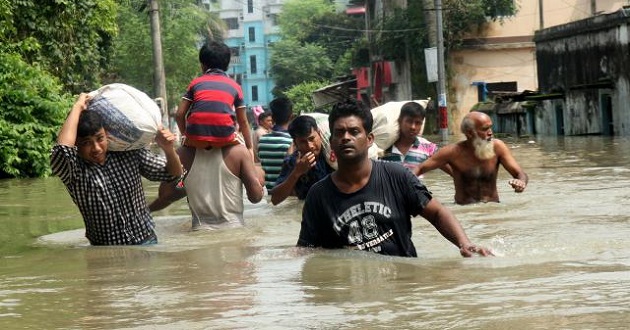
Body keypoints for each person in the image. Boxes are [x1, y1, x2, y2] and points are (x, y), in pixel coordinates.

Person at [296, 98, 492, 258]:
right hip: (351, 297)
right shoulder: (318, 196)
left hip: (402, 287)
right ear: (331, 142)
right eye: (339, 133)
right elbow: (307, 250)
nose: (346, 137)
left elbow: (437, 213)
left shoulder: (396, 176)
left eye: (354, 132)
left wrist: (465, 244)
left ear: (369, 139)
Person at [50, 93, 183, 245]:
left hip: (146, 242)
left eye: (100, 139)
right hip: (105, 252)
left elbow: (174, 175)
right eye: (87, 143)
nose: (96, 148)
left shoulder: (128, 153)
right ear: (76, 144)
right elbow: (62, 150)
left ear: (107, 135)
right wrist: (77, 106)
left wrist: (168, 149)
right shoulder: (74, 171)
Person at [413, 111, 528, 205]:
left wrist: (521, 182)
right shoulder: (452, 152)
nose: (490, 133)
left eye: (490, 128)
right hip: (464, 211)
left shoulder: (498, 147)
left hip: (493, 210)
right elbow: (419, 169)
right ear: (470, 133)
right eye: (485, 129)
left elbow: (519, 173)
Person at [175, 40, 254, 156]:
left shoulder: (195, 83)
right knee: (246, 155)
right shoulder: (235, 86)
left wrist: (185, 136)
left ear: (202, 65)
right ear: (227, 65)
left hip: (194, 139)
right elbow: (243, 121)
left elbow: (179, 114)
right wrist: (250, 148)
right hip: (224, 139)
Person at [184, 144, 265, 230]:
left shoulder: (183, 154)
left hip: (199, 231)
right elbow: (255, 197)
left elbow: (170, 195)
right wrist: (260, 174)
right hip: (235, 231)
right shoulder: (239, 152)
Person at [270, 115, 334, 205]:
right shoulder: (293, 162)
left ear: (319, 134)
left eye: (312, 139)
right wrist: (297, 172)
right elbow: (275, 199)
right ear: (295, 143)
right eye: (303, 142)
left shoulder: (331, 155)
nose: (310, 146)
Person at [379, 101, 450, 177]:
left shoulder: (428, 147)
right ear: (400, 121)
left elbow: (451, 168)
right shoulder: (384, 147)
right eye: (409, 121)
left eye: (418, 123)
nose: (413, 127)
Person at [257, 97, 294, 191]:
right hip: (288, 195)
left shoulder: (262, 142)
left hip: (271, 196)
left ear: (272, 117)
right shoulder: (293, 141)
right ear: (291, 116)